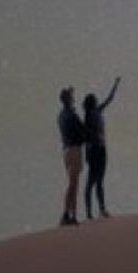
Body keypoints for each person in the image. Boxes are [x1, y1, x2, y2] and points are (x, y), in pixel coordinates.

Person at [82, 76, 121, 220]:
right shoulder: (89, 116)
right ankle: (90, 212)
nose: (97, 101)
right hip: (95, 151)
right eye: (95, 100)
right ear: (92, 103)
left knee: (98, 181)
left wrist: (115, 84)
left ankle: (100, 210)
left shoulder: (97, 111)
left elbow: (109, 99)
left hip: (100, 149)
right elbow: (87, 137)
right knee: (92, 181)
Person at [56, 86, 86, 226]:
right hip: (74, 150)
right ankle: (69, 215)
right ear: (68, 99)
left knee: (72, 184)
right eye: (71, 96)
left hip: (67, 151)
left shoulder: (61, 115)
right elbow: (82, 131)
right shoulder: (71, 116)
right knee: (74, 184)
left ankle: (70, 214)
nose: (74, 99)